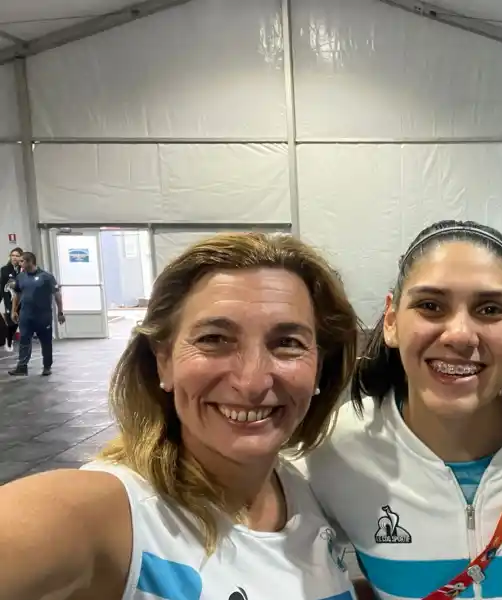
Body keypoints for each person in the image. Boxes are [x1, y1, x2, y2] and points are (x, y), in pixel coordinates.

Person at [0, 233, 360, 600]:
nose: (252, 382)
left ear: (319, 368)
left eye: (288, 343)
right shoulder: (114, 514)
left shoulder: (306, 492)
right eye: (214, 339)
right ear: (164, 360)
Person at [297, 220, 502, 600]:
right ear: (393, 320)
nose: (460, 335)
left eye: (490, 309)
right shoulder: (333, 449)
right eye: (430, 306)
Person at [8, 252, 65, 376]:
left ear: (30, 262)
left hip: (43, 317)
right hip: (26, 315)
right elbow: (17, 295)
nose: (19, 263)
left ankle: (47, 366)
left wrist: (60, 312)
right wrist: (14, 311)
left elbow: (57, 295)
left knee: (46, 342)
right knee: (24, 340)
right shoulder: (21, 277)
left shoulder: (46, 277)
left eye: (22, 261)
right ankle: (22, 367)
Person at [1, 247, 22, 351]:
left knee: (21, 319)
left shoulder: (23, 269)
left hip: (22, 299)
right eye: (12, 255)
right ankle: (9, 340)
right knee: (11, 320)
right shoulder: (5, 270)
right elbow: (2, 286)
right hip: (9, 298)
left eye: (17, 256)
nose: (14, 258)